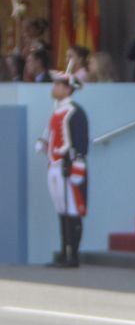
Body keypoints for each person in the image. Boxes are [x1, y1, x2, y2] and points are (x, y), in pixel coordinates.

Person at [35, 69, 89, 268]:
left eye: (58, 85)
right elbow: (51, 134)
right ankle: (63, 249)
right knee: (61, 210)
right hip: (54, 165)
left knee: (72, 210)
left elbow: (81, 141)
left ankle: (72, 254)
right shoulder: (56, 110)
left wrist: (78, 165)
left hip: (68, 166)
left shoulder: (75, 111)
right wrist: (44, 144)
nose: (54, 88)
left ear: (67, 89)